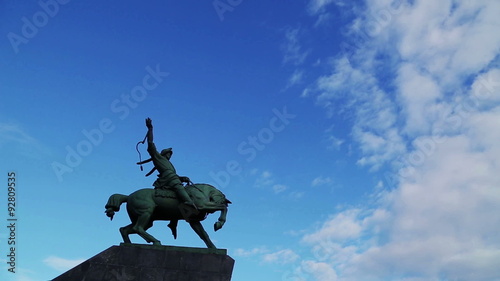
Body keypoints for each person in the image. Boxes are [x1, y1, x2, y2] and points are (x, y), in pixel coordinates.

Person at [140, 118, 198, 213]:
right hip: (169, 179)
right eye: (168, 153)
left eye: (170, 154)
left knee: (181, 188)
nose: (169, 155)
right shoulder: (157, 157)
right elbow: (150, 143)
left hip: (171, 178)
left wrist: (182, 178)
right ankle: (188, 202)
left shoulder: (169, 164)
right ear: (163, 153)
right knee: (178, 186)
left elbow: (173, 175)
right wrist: (150, 129)